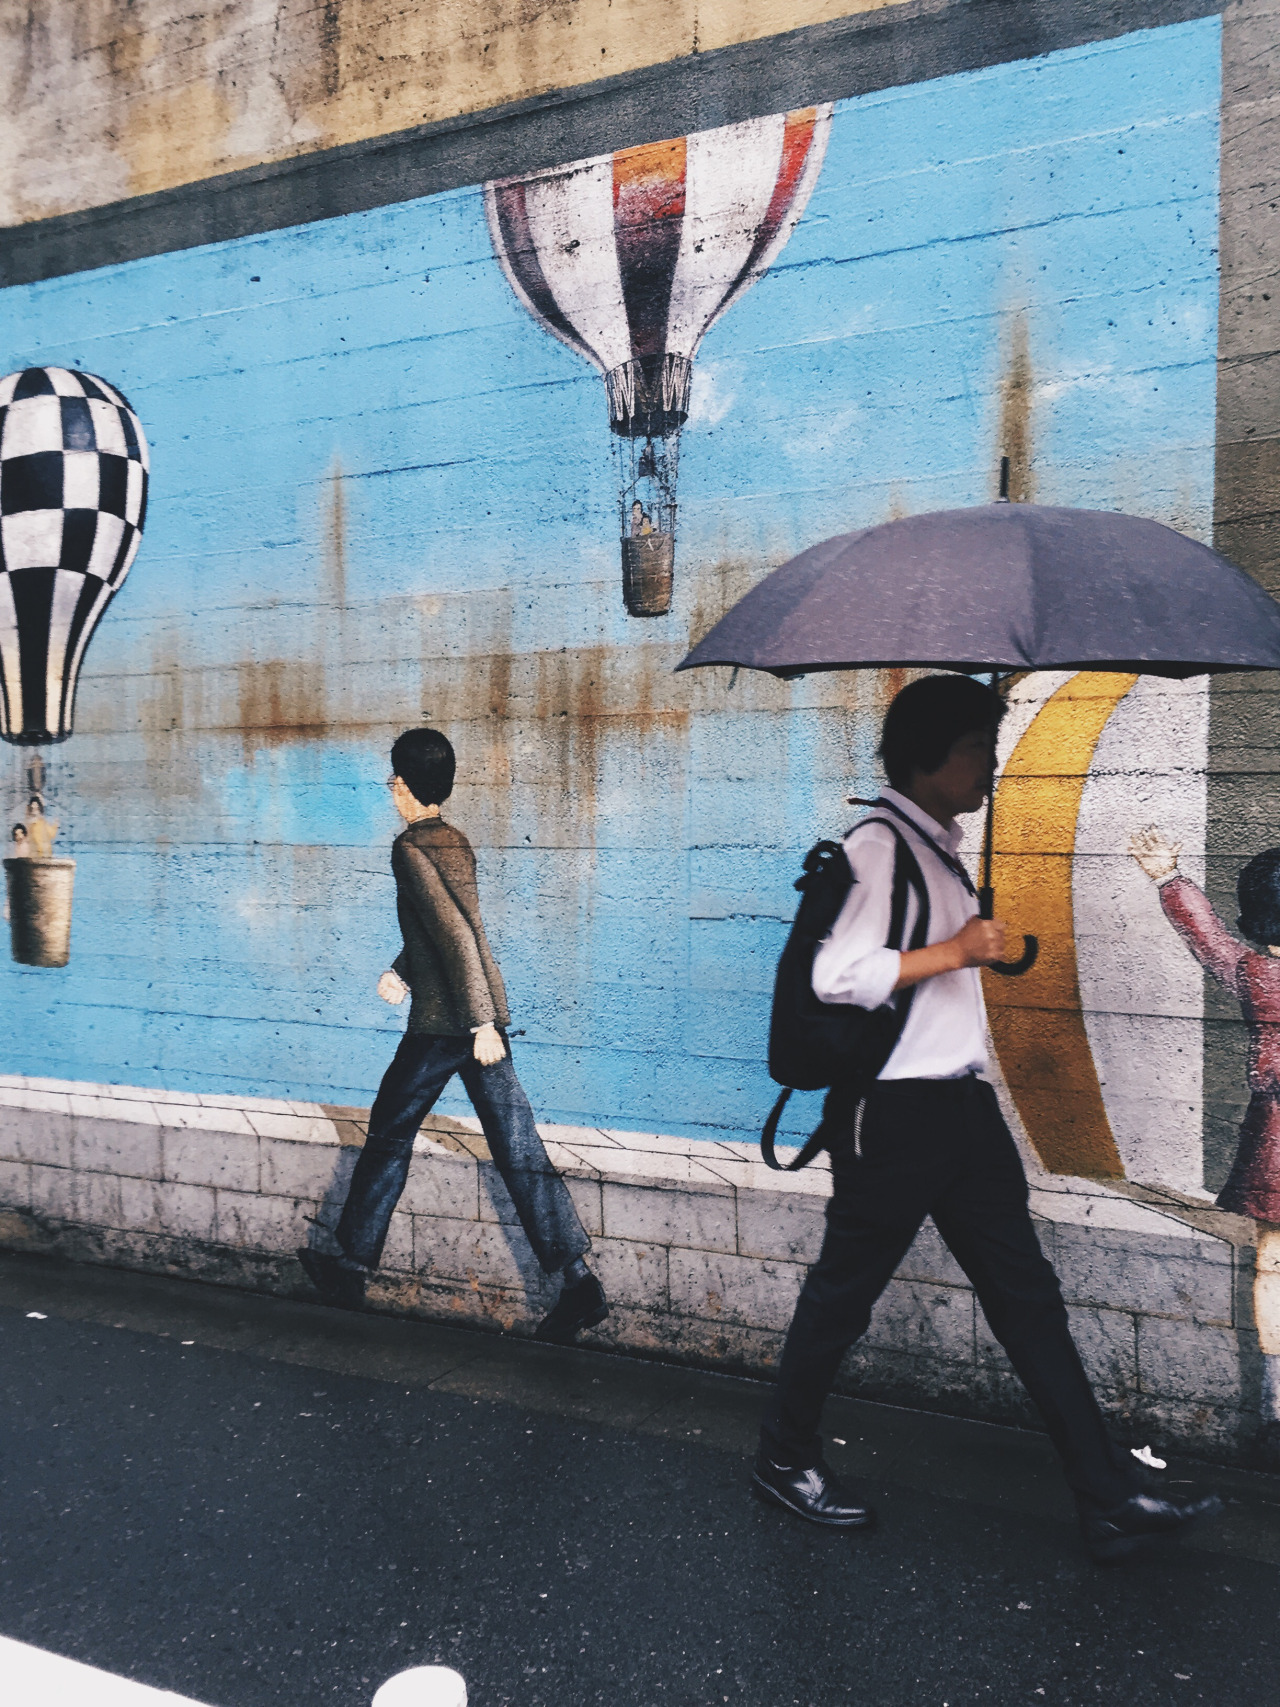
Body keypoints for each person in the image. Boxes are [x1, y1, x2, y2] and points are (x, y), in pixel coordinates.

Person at [753, 675, 1221, 1562]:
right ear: (925, 754)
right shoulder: (879, 845)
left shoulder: (939, 849)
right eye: (976, 743)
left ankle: (1108, 1494)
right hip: (893, 1113)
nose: (992, 762)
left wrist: (988, 948)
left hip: (962, 1109)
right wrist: (956, 948)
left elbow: (931, 970)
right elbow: (836, 975)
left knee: (1027, 1301)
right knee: (843, 1297)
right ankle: (784, 1456)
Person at [298, 728, 608, 1343]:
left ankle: (351, 1269)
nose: (390, 789)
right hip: (471, 1013)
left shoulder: (409, 848)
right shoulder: (454, 841)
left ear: (407, 786)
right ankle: (579, 1285)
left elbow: (456, 935)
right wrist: (402, 969)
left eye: (393, 779)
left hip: (449, 1026)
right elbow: (452, 927)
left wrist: (480, 1023)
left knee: (388, 1132)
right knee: (517, 1147)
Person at [1130, 825, 1280, 1418]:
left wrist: (1168, 877)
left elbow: (1207, 938)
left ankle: (1276, 1401)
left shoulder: (1253, 974)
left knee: (1273, 1261)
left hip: (1275, 1138)